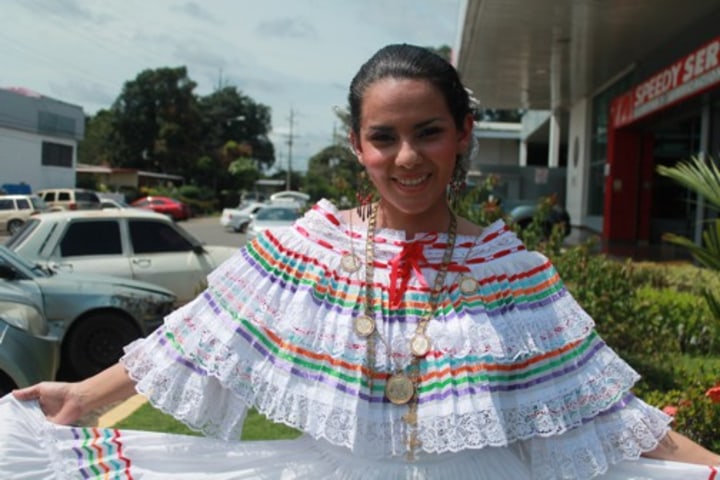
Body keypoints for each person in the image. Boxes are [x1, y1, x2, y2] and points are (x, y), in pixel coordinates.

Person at [1, 43, 719, 480]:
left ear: (465, 134)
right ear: (358, 145)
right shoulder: (308, 250)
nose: (407, 158)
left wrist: (705, 462)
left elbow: (603, 408)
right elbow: (200, 337)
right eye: (384, 137)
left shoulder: (516, 273)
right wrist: (81, 395)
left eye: (429, 132)